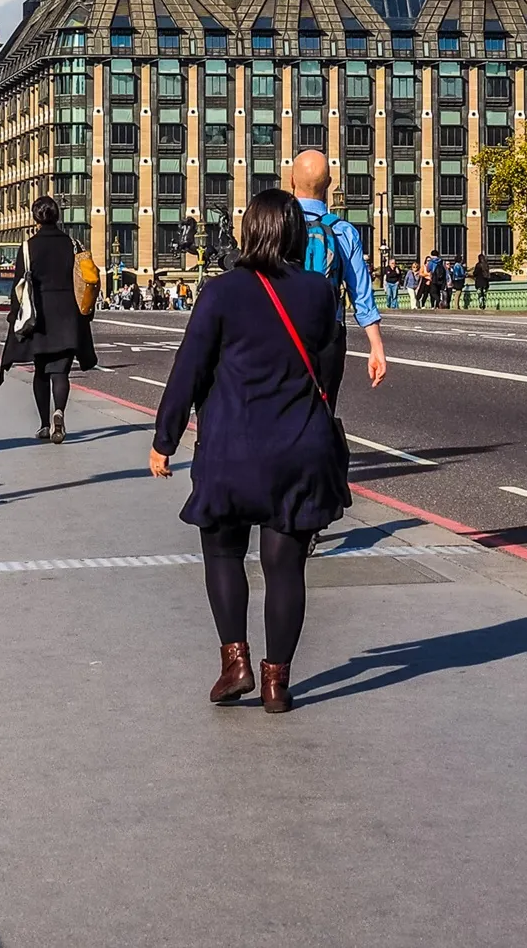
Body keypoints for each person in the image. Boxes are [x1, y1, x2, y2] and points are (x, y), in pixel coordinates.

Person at [151, 189, 364, 715]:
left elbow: (189, 370)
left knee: (223, 552)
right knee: (284, 565)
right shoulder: (317, 293)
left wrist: (165, 440)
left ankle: (235, 663)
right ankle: (277, 683)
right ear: (295, 235)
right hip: (298, 449)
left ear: (249, 233)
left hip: (231, 450)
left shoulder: (222, 292)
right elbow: (331, 367)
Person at [288, 151, 388, 406]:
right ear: (329, 184)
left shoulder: (277, 225)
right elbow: (361, 294)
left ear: (291, 181)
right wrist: (376, 346)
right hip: (328, 334)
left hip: (283, 330)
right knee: (323, 408)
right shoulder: (343, 231)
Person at [0, 196, 98, 442]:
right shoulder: (73, 244)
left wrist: (14, 316)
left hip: (39, 315)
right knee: (61, 371)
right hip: (68, 314)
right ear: (57, 216)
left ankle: (44, 424)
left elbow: (19, 286)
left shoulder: (28, 247)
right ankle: (59, 412)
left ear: (35, 218)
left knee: (41, 371)